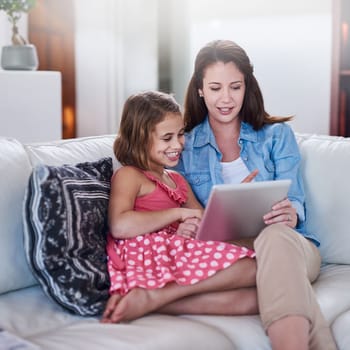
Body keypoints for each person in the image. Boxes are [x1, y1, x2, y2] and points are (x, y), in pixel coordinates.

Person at [173, 39, 337, 350]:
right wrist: (188, 225)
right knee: (278, 284)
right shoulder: (184, 148)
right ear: (200, 89)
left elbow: (296, 199)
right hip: (232, 256)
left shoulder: (276, 136)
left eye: (235, 87)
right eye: (215, 87)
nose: (226, 98)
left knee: (274, 236)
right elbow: (185, 211)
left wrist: (291, 212)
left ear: (247, 86)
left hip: (290, 247)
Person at [101, 90, 257, 324]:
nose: (177, 144)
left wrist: (235, 203)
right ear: (140, 138)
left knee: (255, 299)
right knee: (251, 268)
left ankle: (156, 300)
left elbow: (204, 224)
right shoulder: (130, 175)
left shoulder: (177, 180)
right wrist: (178, 214)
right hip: (149, 253)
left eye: (180, 134)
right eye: (167, 138)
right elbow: (120, 226)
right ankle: (151, 296)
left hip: (178, 251)